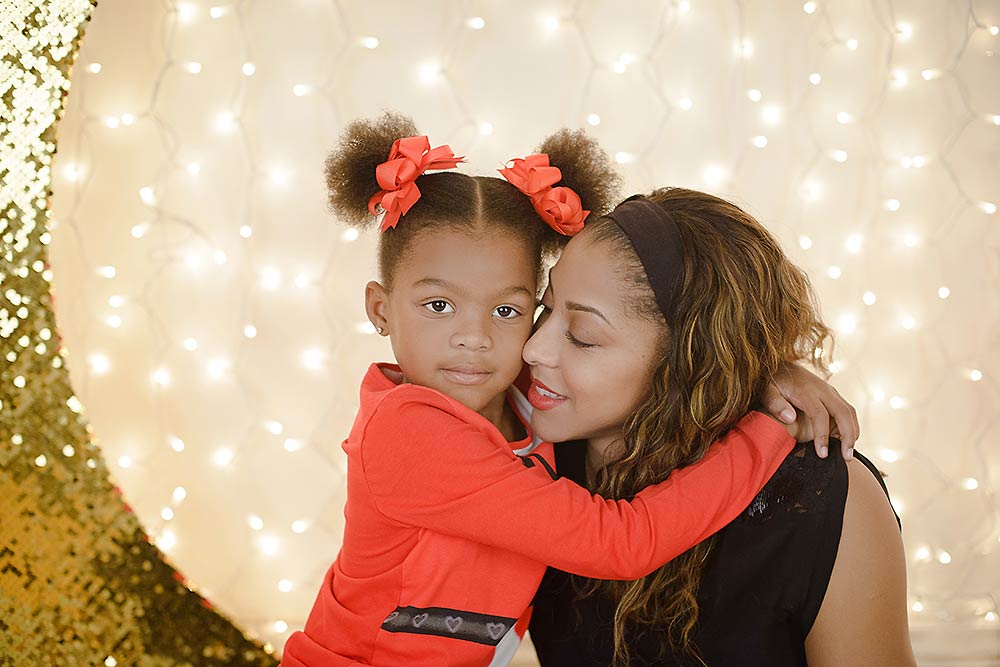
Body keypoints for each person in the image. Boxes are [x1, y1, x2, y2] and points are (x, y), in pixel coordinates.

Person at [279, 114, 855, 667]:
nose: (475, 340)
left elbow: (677, 352)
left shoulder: (513, 388)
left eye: (509, 310)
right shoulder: (411, 431)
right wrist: (771, 427)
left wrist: (770, 373)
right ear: (380, 310)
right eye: (438, 306)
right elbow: (621, 543)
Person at [525, 189, 915, 666]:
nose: (533, 350)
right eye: (544, 308)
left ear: (689, 361)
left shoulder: (825, 500)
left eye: (582, 338)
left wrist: (764, 370)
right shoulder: (529, 455)